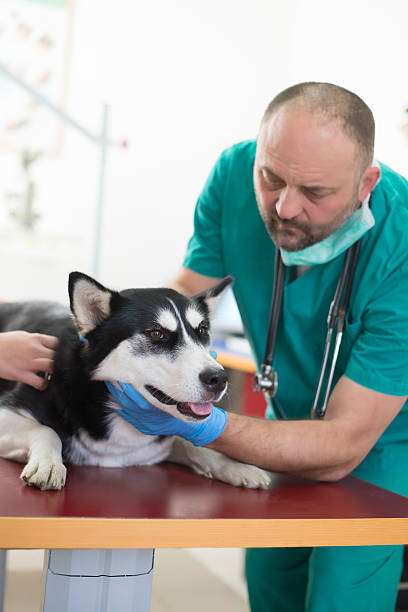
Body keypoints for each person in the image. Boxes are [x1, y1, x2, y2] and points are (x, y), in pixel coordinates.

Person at [109, 82, 408, 611]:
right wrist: (134, 347)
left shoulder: (401, 247)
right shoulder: (232, 174)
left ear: (366, 183)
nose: (285, 207)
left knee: (340, 595)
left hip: (381, 445)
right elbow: (186, 294)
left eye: (315, 193)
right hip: (281, 419)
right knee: (269, 581)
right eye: (271, 178)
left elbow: (342, 446)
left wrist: (202, 425)